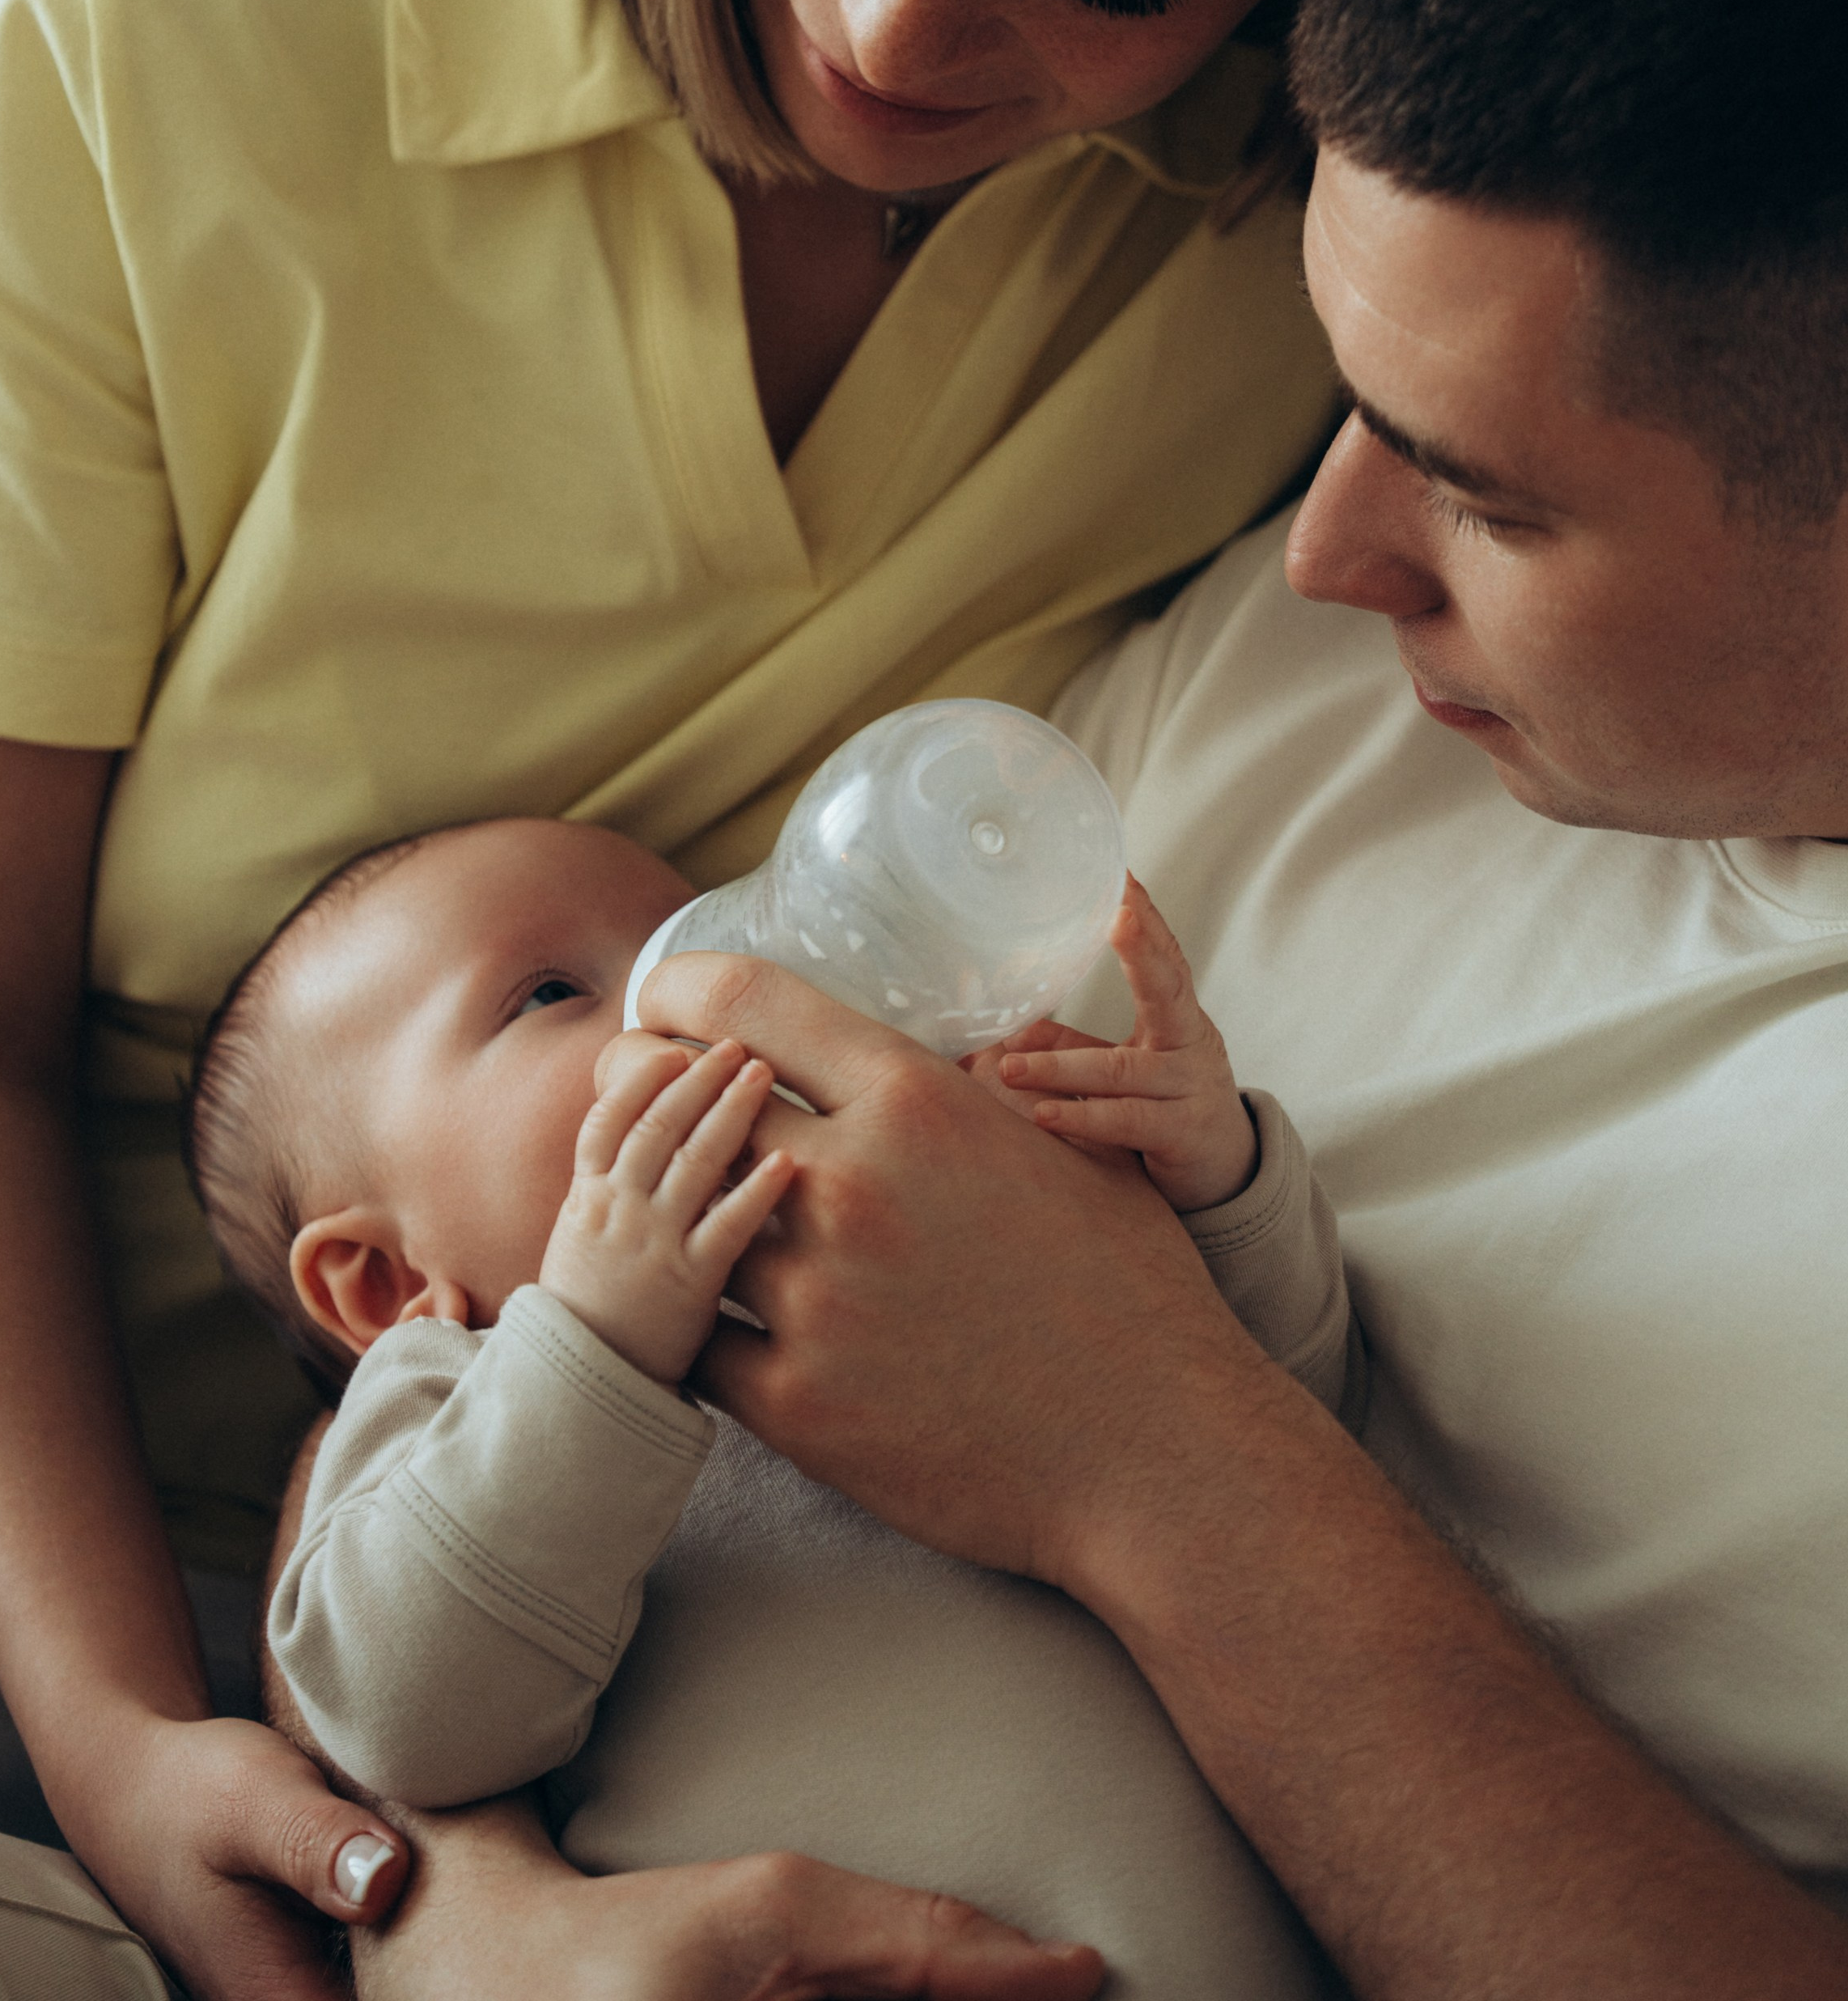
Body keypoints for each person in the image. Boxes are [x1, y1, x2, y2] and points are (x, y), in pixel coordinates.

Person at [0, 0, 1632, 1997]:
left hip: (759, 1581)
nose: (885, 22)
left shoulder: (1316, 253)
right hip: (117, 1549)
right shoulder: (152, 14)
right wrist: (185, 1782)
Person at [614, 0, 1848, 2001]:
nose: (1325, 554)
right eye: (1346, 407)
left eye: (1486, 501)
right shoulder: (1334, 669)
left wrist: (1147, 1459)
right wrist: (453, 1903)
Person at [187, 814, 1354, 1998]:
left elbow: (1276, 1435)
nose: (702, 990)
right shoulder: (444, 1401)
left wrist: (1211, 1180)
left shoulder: (960, 1241)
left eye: (695, 932)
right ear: (382, 1284)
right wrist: (597, 1343)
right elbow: (410, 1723)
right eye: (549, 994)